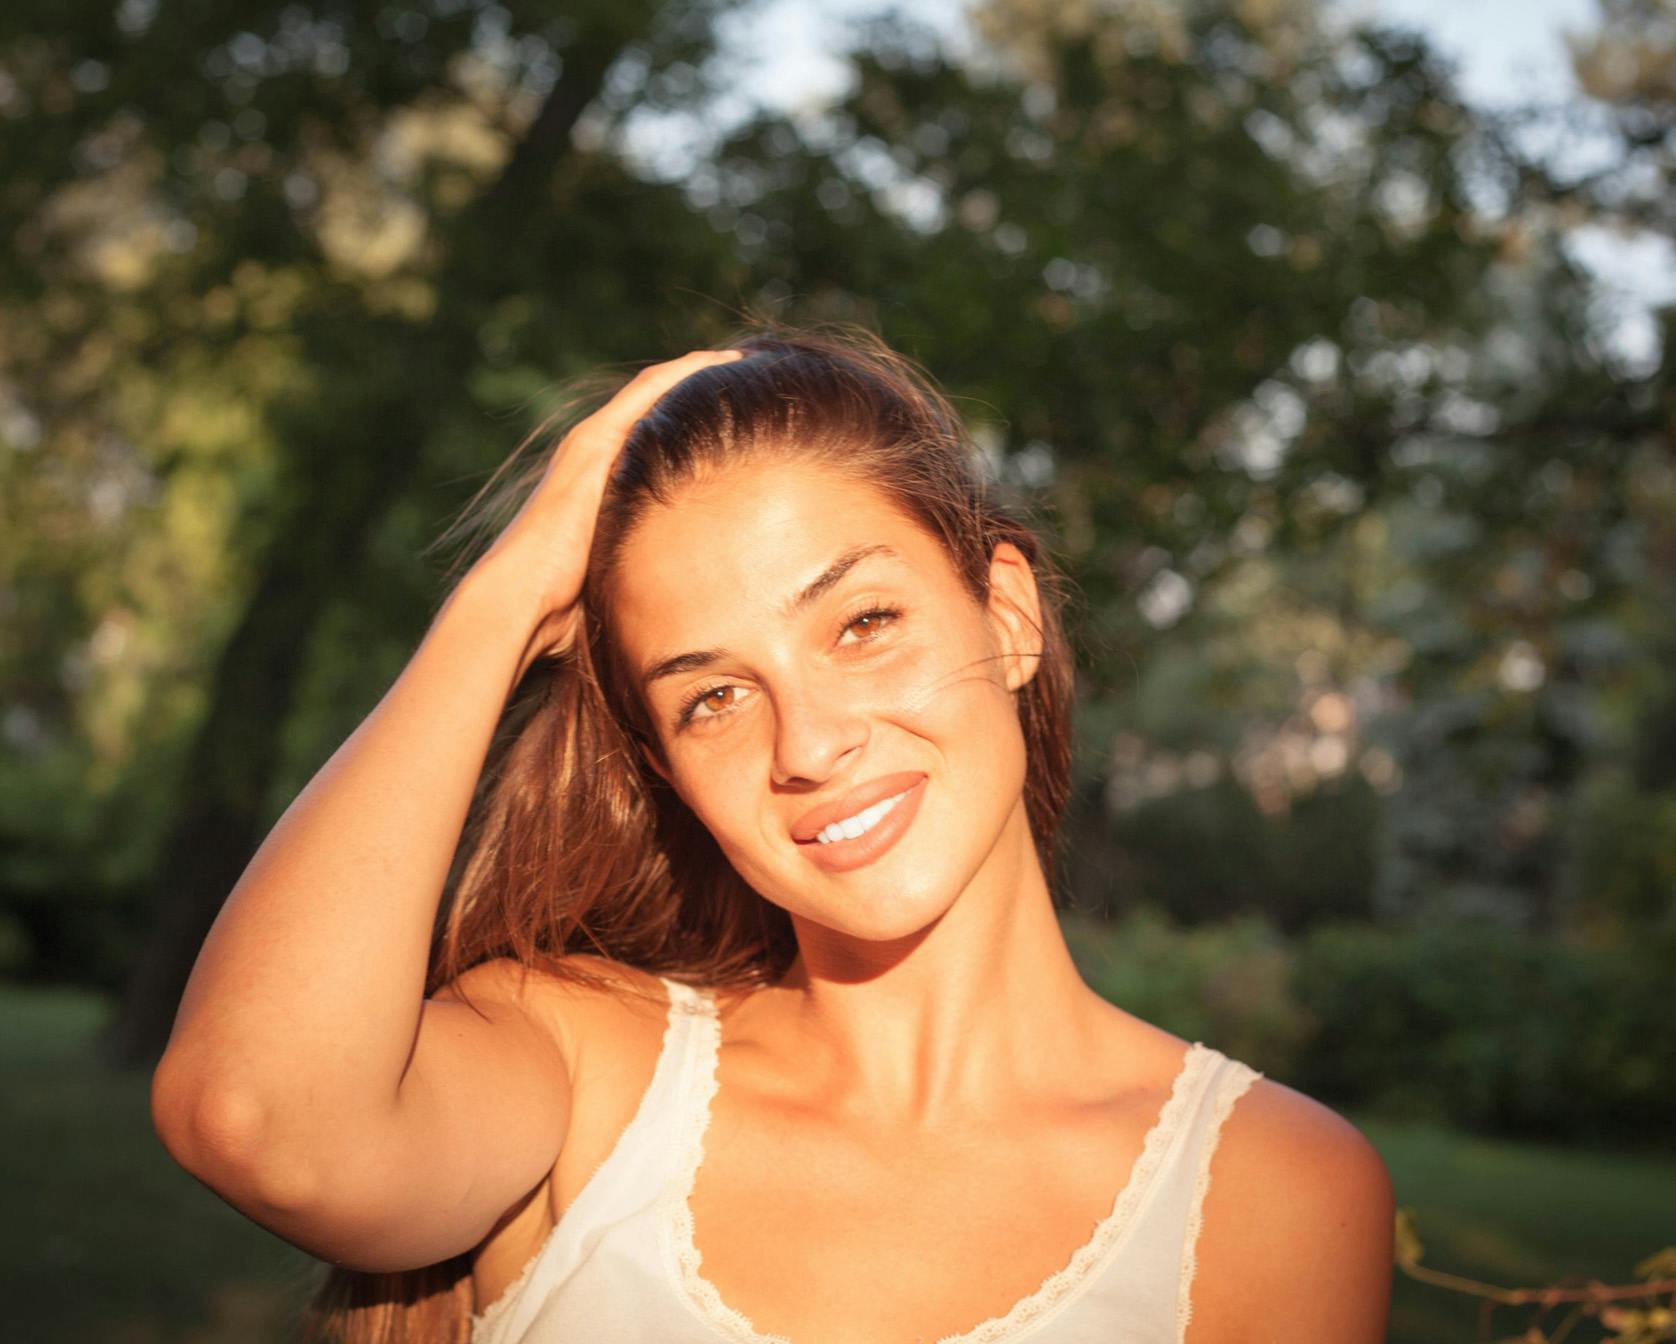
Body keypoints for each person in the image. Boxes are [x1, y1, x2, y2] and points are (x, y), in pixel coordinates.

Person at [151, 324, 1395, 1344]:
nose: (806, 744)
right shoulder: (581, 1074)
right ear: (667, 770)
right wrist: (503, 602)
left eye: (862, 624)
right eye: (713, 697)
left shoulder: (1270, 1192)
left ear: (1007, 615)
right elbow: (255, 1119)